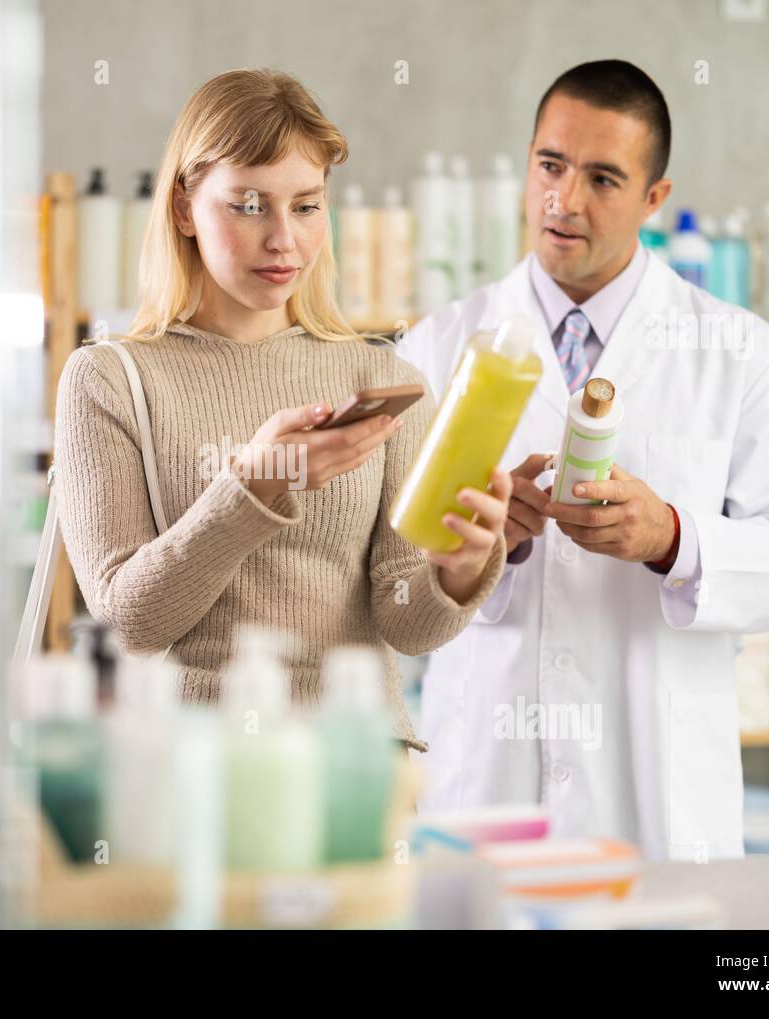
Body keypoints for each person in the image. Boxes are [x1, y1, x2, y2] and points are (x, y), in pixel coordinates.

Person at [399, 60, 769, 859]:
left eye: (603, 178)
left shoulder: (742, 354)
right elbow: (388, 582)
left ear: (654, 198)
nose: (565, 200)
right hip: (486, 790)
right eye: (550, 166)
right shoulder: (435, 347)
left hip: (657, 803)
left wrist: (672, 537)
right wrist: (487, 547)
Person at [55, 68, 511, 749]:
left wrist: (460, 567)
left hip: (359, 771)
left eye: (306, 205)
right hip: (195, 773)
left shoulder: (382, 376)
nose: (284, 239)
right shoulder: (110, 380)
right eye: (248, 205)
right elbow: (128, 623)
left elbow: (405, 622)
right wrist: (253, 486)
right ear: (183, 208)